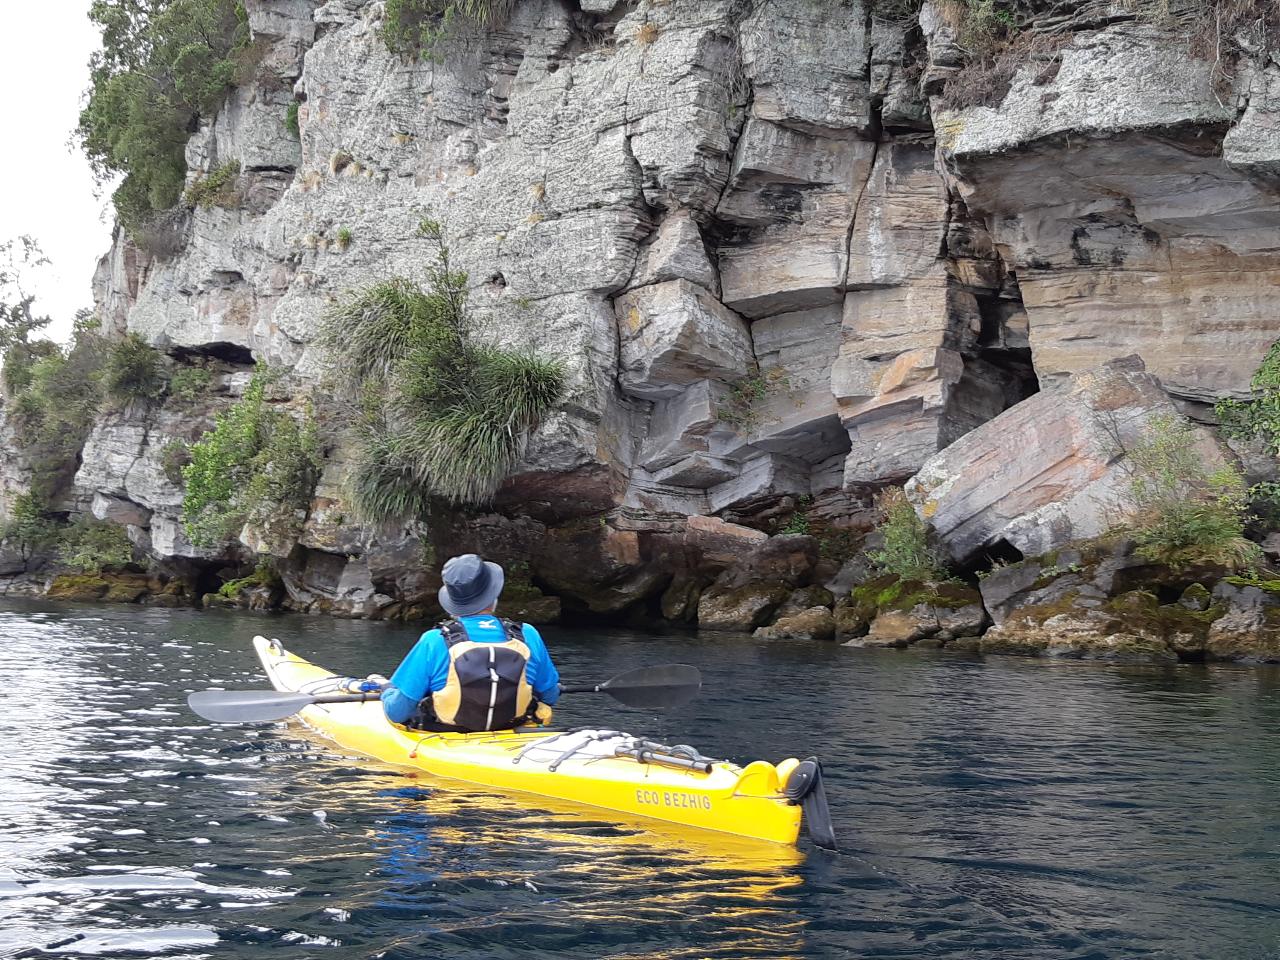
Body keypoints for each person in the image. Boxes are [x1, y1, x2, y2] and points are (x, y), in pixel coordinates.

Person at [380, 554, 561, 732]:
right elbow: (550, 695)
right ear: (493, 597)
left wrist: (387, 692)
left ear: (452, 602)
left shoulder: (434, 640)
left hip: (447, 737)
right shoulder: (526, 634)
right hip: (511, 730)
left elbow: (397, 712)